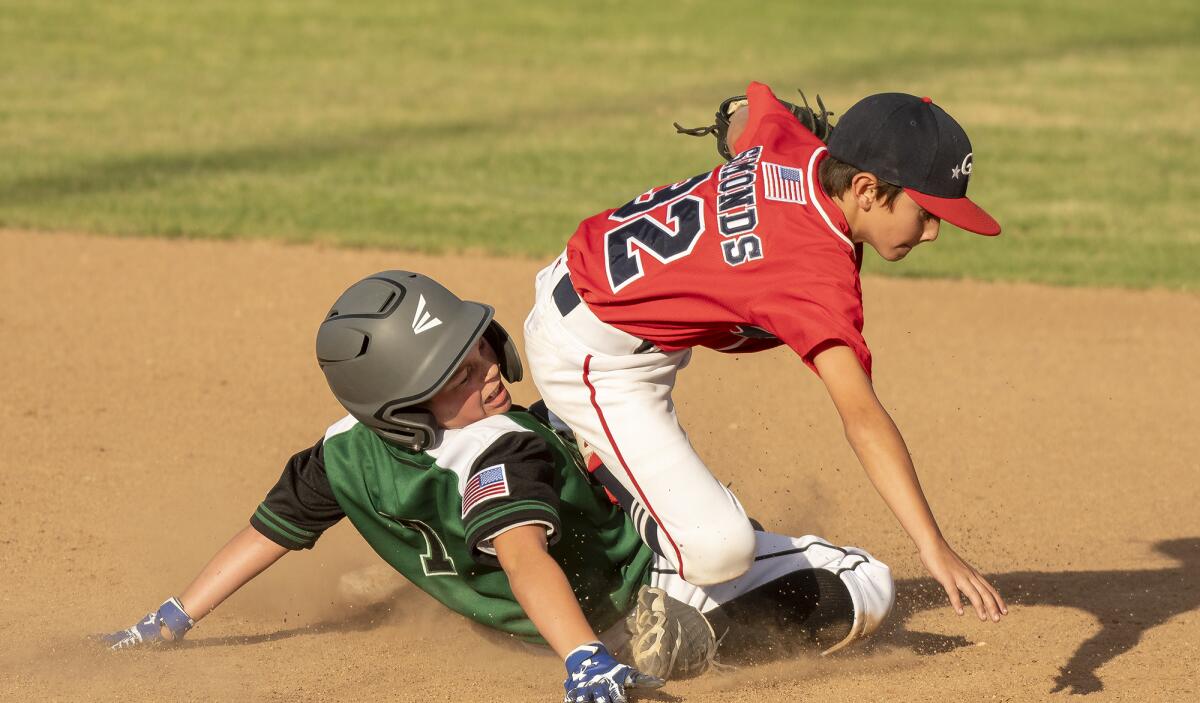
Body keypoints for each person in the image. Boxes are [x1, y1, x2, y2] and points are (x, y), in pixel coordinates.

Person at [102, 270, 896, 703]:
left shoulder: (341, 452)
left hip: (525, 620)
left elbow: (266, 533)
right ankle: (697, 632)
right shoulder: (503, 449)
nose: (486, 375)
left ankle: (662, 625)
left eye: (480, 352)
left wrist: (167, 621)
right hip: (619, 596)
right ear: (403, 407)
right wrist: (584, 660)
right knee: (866, 584)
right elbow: (522, 556)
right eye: (457, 377)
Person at [522, 82, 1009, 624]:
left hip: (591, 287)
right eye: (925, 212)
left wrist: (759, 152)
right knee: (718, 552)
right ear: (867, 190)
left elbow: (744, 112)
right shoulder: (812, 275)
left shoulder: (794, 146)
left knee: (752, 320)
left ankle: (602, 454)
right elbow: (863, 417)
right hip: (594, 363)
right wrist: (931, 545)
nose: (934, 231)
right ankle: (575, 446)